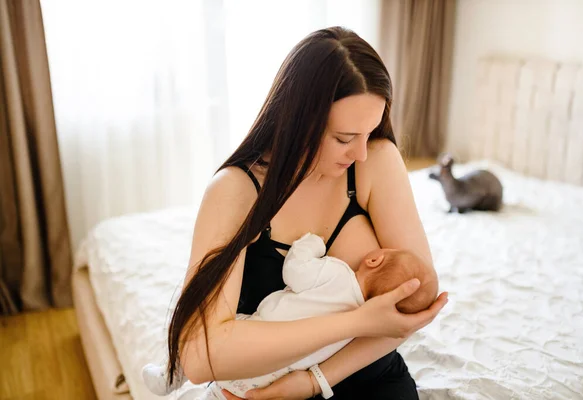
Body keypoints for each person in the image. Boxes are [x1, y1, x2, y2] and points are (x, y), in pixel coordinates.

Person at [166, 26, 448, 400]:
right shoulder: (236, 191)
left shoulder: (376, 163)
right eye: (345, 139)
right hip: (260, 389)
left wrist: (313, 381)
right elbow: (201, 357)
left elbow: (412, 309)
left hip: (368, 376)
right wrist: (357, 321)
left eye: (370, 131)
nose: (361, 152)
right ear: (298, 122)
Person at [144, 231, 437, 398]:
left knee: (201, 336)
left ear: (374, 258)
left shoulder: (336, 273)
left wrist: (310, 244)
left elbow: (294, 271)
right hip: (276, 379)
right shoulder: (360, 329)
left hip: (254, 339)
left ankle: (172, 372)